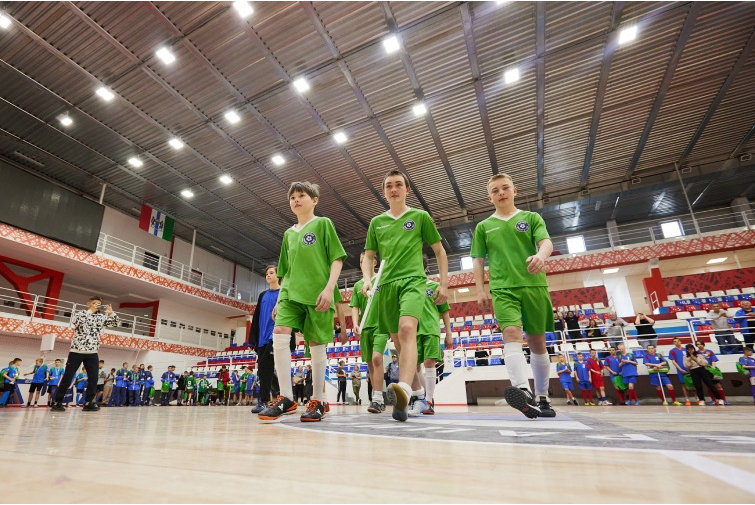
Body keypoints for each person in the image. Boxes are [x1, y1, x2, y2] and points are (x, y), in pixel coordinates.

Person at [362, 170, 448, 423]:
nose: (393, 189)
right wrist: (367, 279)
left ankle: (405, 389)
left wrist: (444, 284)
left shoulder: (420, 217)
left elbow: (439, 251)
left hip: (413, 281)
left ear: (407, 189)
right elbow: (368, 256)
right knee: (399, 344)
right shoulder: (377, 222)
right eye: (389, 185)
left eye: (399, 184)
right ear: (384, 191)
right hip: (386, 286)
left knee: (407, 329)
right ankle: (419, 395)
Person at [258, 181, 347, 423]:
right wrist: (280, 299)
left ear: (314, 200)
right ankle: (286, 397)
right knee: (279, 331)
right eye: (292, 197)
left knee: (317, 343)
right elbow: (285, 271)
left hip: (317, 292)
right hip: (290, 293)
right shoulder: (288, 234)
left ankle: (318, 399)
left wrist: (329, 289)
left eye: (301, 196)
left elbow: (337, 259)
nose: (296, 200)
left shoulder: (323, 223)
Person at [471, 173, 555, 419]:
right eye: (495, 190)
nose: (501, 193)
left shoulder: (531, 218)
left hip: (533, 285)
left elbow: (546, 243)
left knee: (537, 342)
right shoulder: (483, 227)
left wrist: (540, 256)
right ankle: (523, 391)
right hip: (502, 288)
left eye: (505, 188)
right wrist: (480, 289)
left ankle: (543, 397)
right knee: (510, 333)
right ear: (490, 197)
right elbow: (478, 260)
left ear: (514, 191)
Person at [50, 296, 119, 412]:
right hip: (76, 351)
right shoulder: (81, 314)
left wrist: (111, 313)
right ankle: (57, 402)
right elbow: (76, 322)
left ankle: (88, 403)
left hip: (92, 352)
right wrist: (90, 311)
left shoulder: (101, 317)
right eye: (94, 303)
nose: (97, 305)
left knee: (94, 378)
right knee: (68, 376)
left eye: (99, 303)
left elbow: (116, 323)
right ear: (88, 304)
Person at [407, 259, 452, 416]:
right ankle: (424, 397)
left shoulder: (435, 286)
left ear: (426, 268)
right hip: (413, 332)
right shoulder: (410, 288)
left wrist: (449, 334)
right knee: (414, 367)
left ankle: (428, 401)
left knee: (429, 362)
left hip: (431, 329)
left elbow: (445, 310)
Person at [351, 252, 390, 413]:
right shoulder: (357, 286)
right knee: (371, 365)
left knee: (377, 358)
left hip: (381, 326)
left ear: (374, 262)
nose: (363, 264)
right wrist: (355, 323)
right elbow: (355, 307)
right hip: (365, 328)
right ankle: (377, 400)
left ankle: (378, 398)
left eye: (365, 261)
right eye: (361, 262)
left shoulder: (382, 279)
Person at [250, 265, 282, 414]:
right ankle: (284, 393)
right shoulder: (262, 295)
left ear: (278, 275)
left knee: (263, 367)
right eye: (266, 273)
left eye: (271, 273)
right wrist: (252, 340)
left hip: (274, 335)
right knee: (265, 369)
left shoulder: (282, 293)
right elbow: (256, 317)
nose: (268, 275)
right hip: (262, 338)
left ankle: (264, 401)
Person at [696, 341, 729, 405]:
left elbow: (713, 360)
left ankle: (724, 400)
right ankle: (714, 400)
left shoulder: (709, 351)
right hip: (703, 370)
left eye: (700, 344)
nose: (699, 345)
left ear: (703, 344)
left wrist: (713, 369)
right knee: (709, 386)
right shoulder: (697, 353)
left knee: (718, 385)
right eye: (697, 344)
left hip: (711, 369)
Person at [668, 338, 693, 405]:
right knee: (683, 385)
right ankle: (687, 400)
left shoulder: (686, 349)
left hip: (690, 369)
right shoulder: (672, 351)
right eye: (674, 341)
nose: (676, 342)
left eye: (678, 341)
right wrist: (680, 369)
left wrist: (690, 367)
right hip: (680, 370)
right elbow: (673, 361)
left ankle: (697, 398)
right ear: (673, 343)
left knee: (693, 383)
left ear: (680, 341)